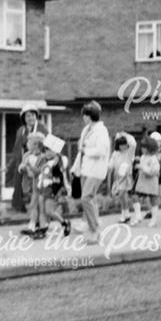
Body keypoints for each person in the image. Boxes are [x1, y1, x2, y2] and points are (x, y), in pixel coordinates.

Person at [70, 101, 110, 243]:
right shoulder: (86, 130)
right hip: (85, 169)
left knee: (86, 198)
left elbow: (100, 151)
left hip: (96, 170)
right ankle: (90, 224)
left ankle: (95, 230)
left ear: (89, 116)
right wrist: (75, 167)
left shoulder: (101, 131)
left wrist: (86, 150)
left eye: (85, 115)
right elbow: (81, 151)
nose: (83, 118)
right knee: (90, 199)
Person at [8, 104, 48, 212]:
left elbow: (48, 146)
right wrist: (12, 164)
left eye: (33, 115)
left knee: (37, 186)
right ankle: (20, 207)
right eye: (27, 116)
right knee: (19, 184)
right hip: (24, 160)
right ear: (24, 118)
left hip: (38, 161)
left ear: (36, 116)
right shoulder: (20, 131)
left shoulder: (42, 128)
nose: (30, 118)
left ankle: (39, 210)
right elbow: (16, 148)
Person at [35, 134, 71, 239]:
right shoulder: (47, 162)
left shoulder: (59, 163)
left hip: (51, 189)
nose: (47, 153)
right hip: (42, 189)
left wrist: (55, 192)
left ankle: (64, 222)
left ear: (56, 152)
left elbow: (59, 178)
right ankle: (42, 229)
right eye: (46, 151)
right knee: (41, 210)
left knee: (49, 211)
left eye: (50, 150)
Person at [19, 133, 47, 237]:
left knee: (39, 206)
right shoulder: (26, 155)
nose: (28, 144)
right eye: (29, 142)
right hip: (31, 183)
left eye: (30, 142)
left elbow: (39, 171)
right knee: (33, 205)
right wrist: (22, 168)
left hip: (42, 184)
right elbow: (22, 166)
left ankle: (40, 227)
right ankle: (33, 226)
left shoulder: (43, 157)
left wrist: (29, 166)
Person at [133, 134, 161, 228]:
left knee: (153, 200)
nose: (142, 149)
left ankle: (154, 219)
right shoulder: (143, 157)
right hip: (142, 182)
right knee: (135, 196)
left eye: (144, 147)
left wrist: (142, 167)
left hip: (151, 182)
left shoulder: (154, 159)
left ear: (150, 148)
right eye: (142, 147)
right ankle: (138, 215)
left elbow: (154, 171)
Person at [107, 132, 136, 223]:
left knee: (122, 195)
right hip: (118, 177)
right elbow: (111, 164)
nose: (122, 147)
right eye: (120, 145)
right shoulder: (115, 154)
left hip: (126, 177)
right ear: (118, 145)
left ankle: (125, 215)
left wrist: (125, 134)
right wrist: (107, 168)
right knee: (122, 197)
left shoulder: (129, 153)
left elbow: (133, 143)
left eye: (124, 144)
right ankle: (126, 214)